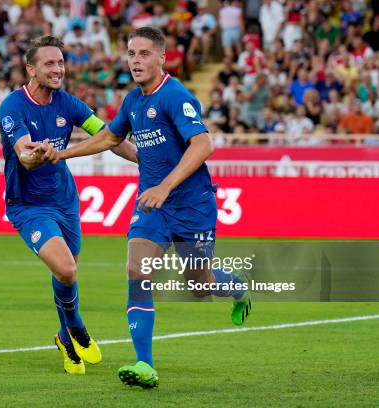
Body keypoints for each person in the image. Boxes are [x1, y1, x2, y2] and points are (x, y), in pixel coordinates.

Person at [56, 27, 252, 388]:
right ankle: (144, 364)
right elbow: (111, 138)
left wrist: (165, 185)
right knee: (137, 272)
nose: (136, 61)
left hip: (192, 206)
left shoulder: (176, 97)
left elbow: (203, 144)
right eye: (131, 53)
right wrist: (62, 154)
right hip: (152, 207)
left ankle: (236, 288)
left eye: (144, 54)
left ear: (162, 58)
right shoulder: (133, 101)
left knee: (199, 284)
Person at [0, 35, 137, 375]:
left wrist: (146, 162)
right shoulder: (12, 107)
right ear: (31, 69)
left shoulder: (69, 104)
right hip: (29, 204)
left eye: (60, 62)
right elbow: (24, 155)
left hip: (65, 201)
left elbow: (109, 137)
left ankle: (63, 339)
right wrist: (37, 154)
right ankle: (76, 327)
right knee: (67, 269)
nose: (58, 69)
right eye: (49, 63)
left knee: (66, 273)